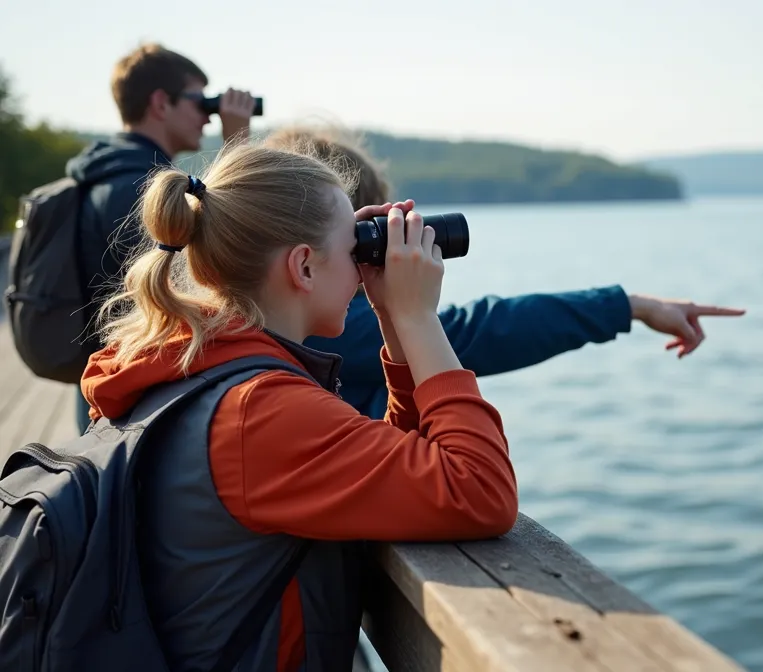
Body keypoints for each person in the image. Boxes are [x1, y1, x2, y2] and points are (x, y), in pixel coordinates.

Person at [82, 142, 516, 671]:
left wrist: (393, 320)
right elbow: (481, 491)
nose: (362, 267)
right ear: (304, 266)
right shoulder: (258, 411)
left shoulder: (194, 367)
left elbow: (393, 464)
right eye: (352, 245)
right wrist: (420, 317)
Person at [263, 125, 746, 419]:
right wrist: (411, 317)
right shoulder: (323, 334)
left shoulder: (251, 328)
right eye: (362, 240)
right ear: (304, 258)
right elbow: (481, 333)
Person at [63, 42, 257, 432]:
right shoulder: (143, 190)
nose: (208, 116)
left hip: (105, 375)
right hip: (141, 387)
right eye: (200, 101)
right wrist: (238, 147)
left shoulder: (99, 175)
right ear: (160, 103)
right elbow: (237, 254)